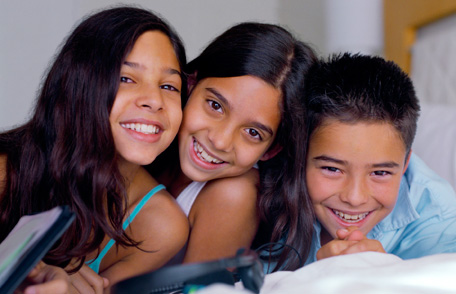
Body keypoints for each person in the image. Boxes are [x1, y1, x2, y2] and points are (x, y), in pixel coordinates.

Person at [0, 6, 189, 293]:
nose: (154, 100)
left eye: (169, 86)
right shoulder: (5, 171)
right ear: (80, 85)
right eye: (126, 78)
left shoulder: (160, 226)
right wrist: (29, 275)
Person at [149, 22, 317, 271]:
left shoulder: (234, 194)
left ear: (272, 149)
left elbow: (198, 290)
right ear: (191, 84)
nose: (220, 140)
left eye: (252, 133)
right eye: (215, 106)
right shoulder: (151, 144)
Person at [303, 53, 456, 264]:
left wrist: (385, 273)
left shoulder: (439, 216)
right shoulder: (267, 193)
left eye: (380, 173)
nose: (355, 198)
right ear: (301, 154)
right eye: (332, 169)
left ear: (405, 165)